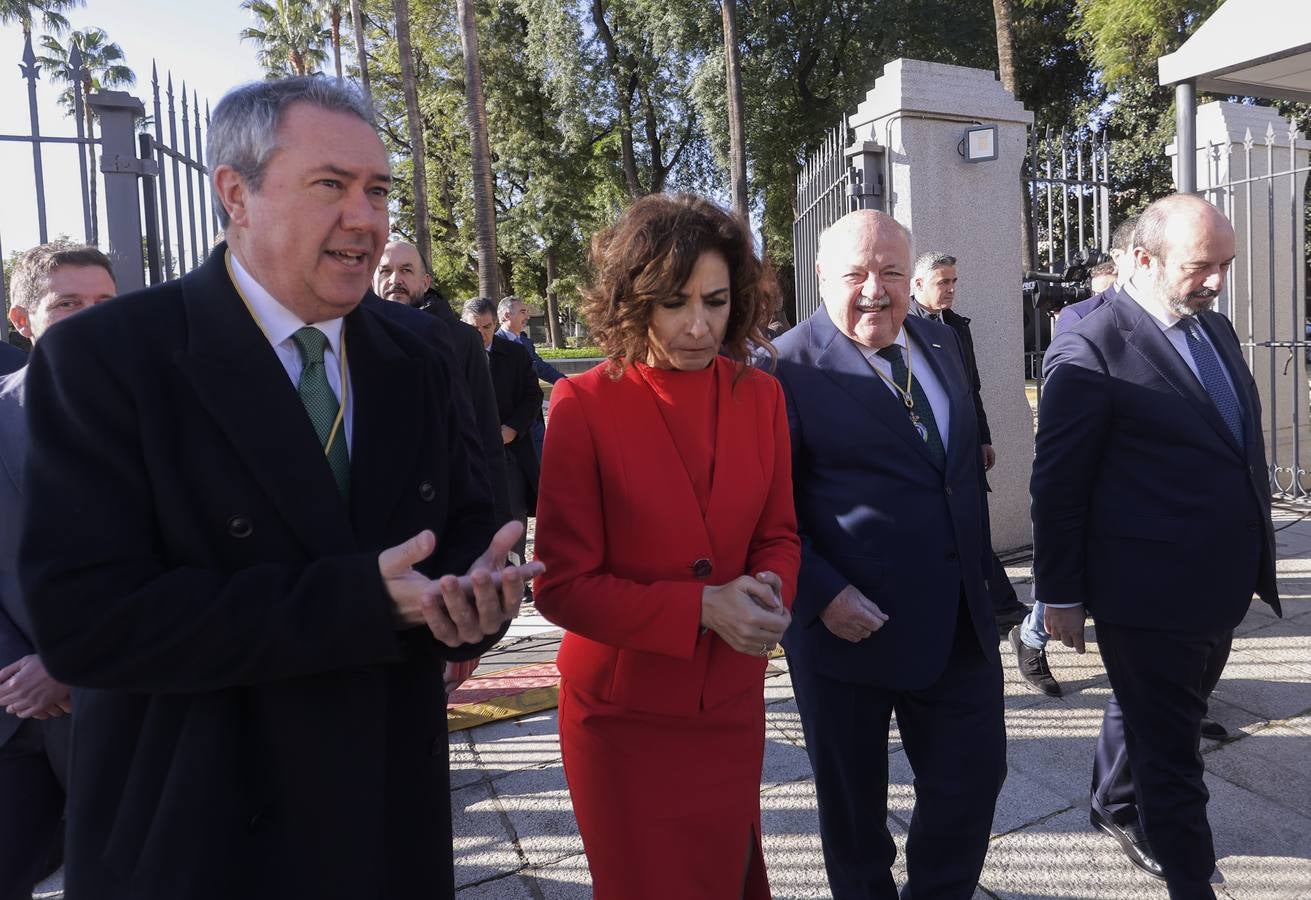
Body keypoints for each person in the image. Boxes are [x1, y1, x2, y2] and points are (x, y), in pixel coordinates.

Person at [18, 76, 539, 900]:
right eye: (329, 185)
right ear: (236, 193)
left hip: (381, 816)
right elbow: (88, 626)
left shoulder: (426, 355)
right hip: (198, 827)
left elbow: (466, 523)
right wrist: (361, 600)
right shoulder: (106, 358)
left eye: (376, 191)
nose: (364, 219)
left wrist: (477, 594)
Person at [533, 193, 799, 898]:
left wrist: (768, 592)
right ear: (633, 301)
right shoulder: (582, 404)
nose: (697, 326)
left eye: (714, 302)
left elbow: (778, 534)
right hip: (622, 723)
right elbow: (559, 584)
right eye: (673, 303)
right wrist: (701, 608)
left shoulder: (760, 397)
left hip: (729, 705)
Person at [1031, 193, 1279, 898]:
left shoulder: (1216, 331)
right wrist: (1062, 594)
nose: (1216, 282)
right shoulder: (1088, 347)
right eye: (1201, 266)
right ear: (1141, 259)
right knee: (1172, 762)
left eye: (1224, 265)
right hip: (1146, 593)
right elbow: (1057, 485)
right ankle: (1192, 882)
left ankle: (1110, 801)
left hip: (1218, 585)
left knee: (1151, 714)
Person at [773, 210, 1005, 899]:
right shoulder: (782, 367)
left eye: (891, 272)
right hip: (847, 631)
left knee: (971, 782)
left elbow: (954, 471)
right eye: (855, 274)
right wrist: (818, 595)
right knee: (853, 815)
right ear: (819, 276)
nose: (875, 290)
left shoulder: (936, 341)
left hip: (958, 621)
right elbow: (765, 507)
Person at [0, 242, 115, 900]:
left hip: (121, 705)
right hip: (12, 714)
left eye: (104, 303)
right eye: (68, 305)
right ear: (24, 320)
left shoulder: (165, 418)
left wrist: (70, 661)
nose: (91, 318)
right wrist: (19, 671)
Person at [908, 251, 1028, 636]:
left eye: (954, 281)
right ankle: (999, 605)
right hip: (932, 448)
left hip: (965, 442)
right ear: (918, 284)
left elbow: (970, 388)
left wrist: (984, 436)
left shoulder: (957, 325)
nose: (951, 289)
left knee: (974, 524)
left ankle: (998, 605)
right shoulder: (903, 325)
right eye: (944, 282)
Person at [373, 240, 511, 528]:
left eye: (406, 270)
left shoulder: (462, 340)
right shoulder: (347, 333)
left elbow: (485, 431)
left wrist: (496, 522)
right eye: (385, 271)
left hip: (445, 511)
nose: (395, 280)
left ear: (425, 282)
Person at [463, 297, 542, 571]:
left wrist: (513, 429)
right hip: (468, 453)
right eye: (474, 329)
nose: (482, 334)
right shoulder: (451, 355)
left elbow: (532, 396)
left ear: (495, 323)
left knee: (512, 516)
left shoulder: (515, 354)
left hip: (509, 452)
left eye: (487, 327)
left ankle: (515, 572)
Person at [496, 295, 564, 460]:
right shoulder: (494, 343)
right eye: (522, 312)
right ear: (507, 316)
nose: (527, 316)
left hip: (534, 419)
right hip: (511, 424)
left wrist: (567, 383)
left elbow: (541, 368)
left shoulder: (526, 343)